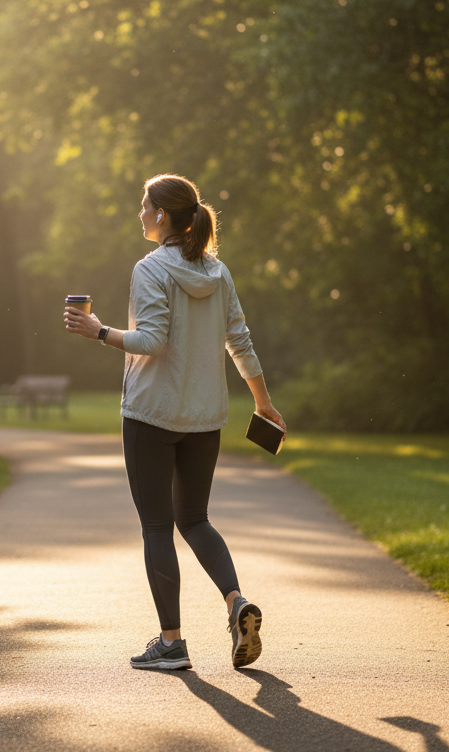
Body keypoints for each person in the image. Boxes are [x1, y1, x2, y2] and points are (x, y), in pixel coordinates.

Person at [64, 173, 285, 672]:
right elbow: (240, 341)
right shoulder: (218, 272)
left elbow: (152, 342)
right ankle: (236, 604)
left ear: (163, 215)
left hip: (151, 415)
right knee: (196, 519)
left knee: (158, 526)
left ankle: (171, 643)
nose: (139, 213)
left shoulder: (150, 269)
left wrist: (99, 332)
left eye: (144, 205)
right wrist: (263, 403)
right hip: (205, 419)